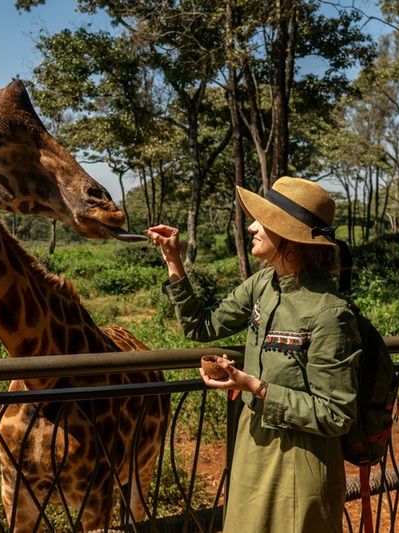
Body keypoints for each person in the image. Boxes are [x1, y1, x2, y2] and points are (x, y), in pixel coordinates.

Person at [147, 176, 361, 533]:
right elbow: (202, 326)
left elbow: (337, 414)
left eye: (263, 221)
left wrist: (258, 388)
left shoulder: (330, 313)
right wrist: (174, 261)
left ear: (289, 236)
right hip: (251, 448)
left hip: (299, 464)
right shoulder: (264, 283)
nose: (251, 226)